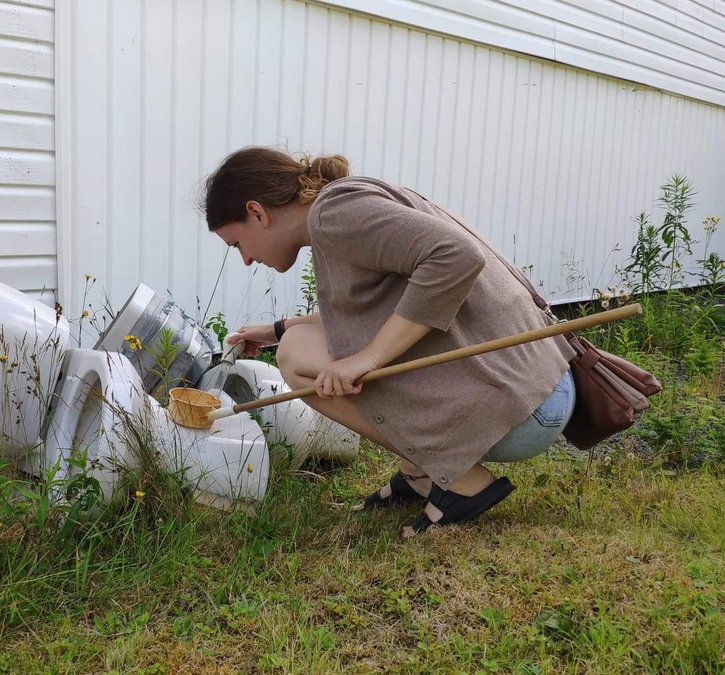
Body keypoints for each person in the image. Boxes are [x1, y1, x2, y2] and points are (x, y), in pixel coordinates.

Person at [202, 147, 576, 537]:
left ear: (258, 213)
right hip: (531, 387)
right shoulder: (338, 210)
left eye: (237, 245)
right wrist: (276, 330)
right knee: (293, 341)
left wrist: (370, 357)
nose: (245, 260)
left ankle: (462, 481)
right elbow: (376, 310)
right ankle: (421, 474)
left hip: (525, 403)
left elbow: (457, 256)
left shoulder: (334, 216)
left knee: (296, 355)